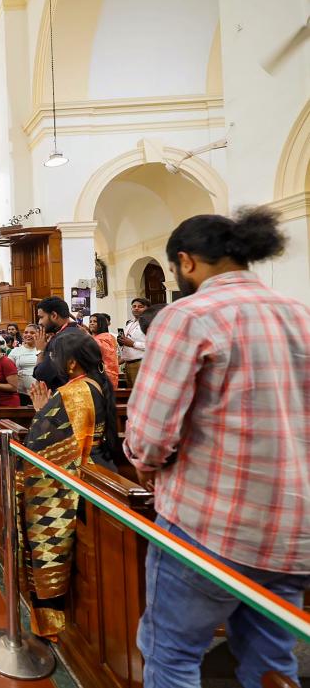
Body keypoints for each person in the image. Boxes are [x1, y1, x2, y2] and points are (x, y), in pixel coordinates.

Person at [123, 207, 308, 688]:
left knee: (172, 655)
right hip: (292, 530)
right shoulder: (299, 314)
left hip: (211, 525)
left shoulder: (187, 316)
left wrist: (146, 463)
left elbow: (149, 434)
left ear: (186, 262)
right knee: (271, 665)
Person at [18, 331, 119, 639]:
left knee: (47, 540)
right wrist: (44, 414)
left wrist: (40, 417)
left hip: (81, 490)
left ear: (72, 363)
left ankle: (53, 621)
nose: (52, 362)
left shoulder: (73, 394)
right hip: (100, 478)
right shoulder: (92, 386)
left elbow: (46, 446)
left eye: (54, 357)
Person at [33, 296, 82, 391]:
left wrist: (40, 351)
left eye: (41, 317)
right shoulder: (77, 331)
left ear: (54, 315)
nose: (39, 322)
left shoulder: (62, 339)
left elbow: (42, 374)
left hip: (67, 396)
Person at [117, 298, 149, 387]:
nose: (136, 308)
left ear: (148, 309)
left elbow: (153, 345)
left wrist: (133, 344)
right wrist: (121, 342)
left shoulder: (149, 323)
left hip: (141, 363)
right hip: (127, 363)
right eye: (134, 306)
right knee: (130, 394)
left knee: (140, 393)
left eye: (140, 306)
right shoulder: (130, 324)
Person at [9, 323, 40, 400]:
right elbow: (7, 368)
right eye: (26, 332)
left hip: (40, 392)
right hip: (22, 393)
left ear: (38, 334)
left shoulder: (43, 349)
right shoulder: (16, 351)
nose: (28, 335)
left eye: (32, 333)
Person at [88, 313, 120, 388]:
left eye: (95, 321)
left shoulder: (107, 337)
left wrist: (87, 336)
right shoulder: (92, 337)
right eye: (90, 321)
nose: (92, 323)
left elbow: (103, 350)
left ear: (101, 324)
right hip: (92, 373)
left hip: (106, 374)